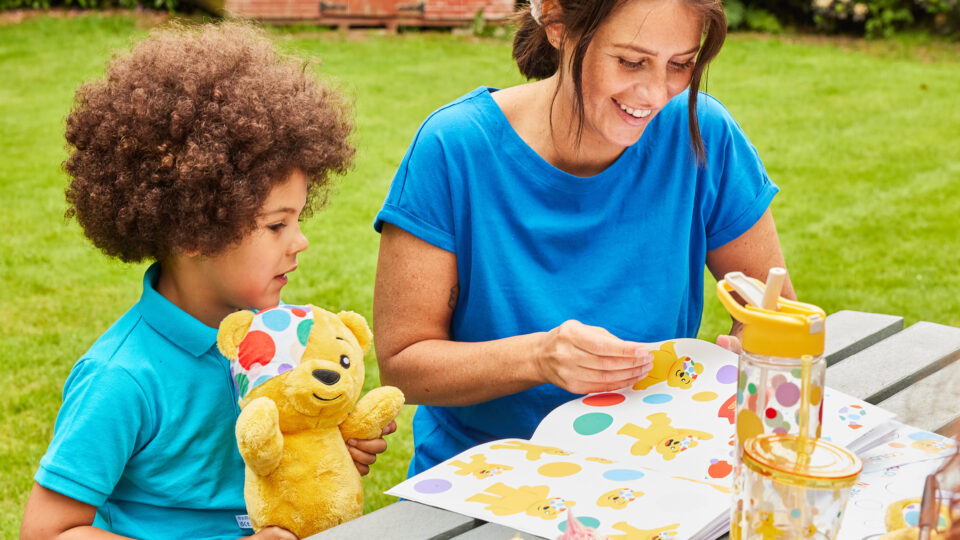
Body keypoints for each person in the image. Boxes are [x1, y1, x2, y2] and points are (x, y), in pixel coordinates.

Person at [372, 0, 796, 477]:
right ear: (556, 23)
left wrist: (756, 345)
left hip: (653, 467)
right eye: (631, 61)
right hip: (485, 481)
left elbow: (772, 307)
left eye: (680, 65)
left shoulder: (702, 132)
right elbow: (402, 367)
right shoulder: (455, 148)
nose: (656, 94)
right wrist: (538, 358)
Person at [20, 22, 394, 540]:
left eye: (299, 220)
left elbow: (274, 458)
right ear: (194, 230)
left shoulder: (280, 340)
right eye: (276, 225)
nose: (300, 242)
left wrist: (327, 445)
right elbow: (47, 530)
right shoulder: (123, 377)